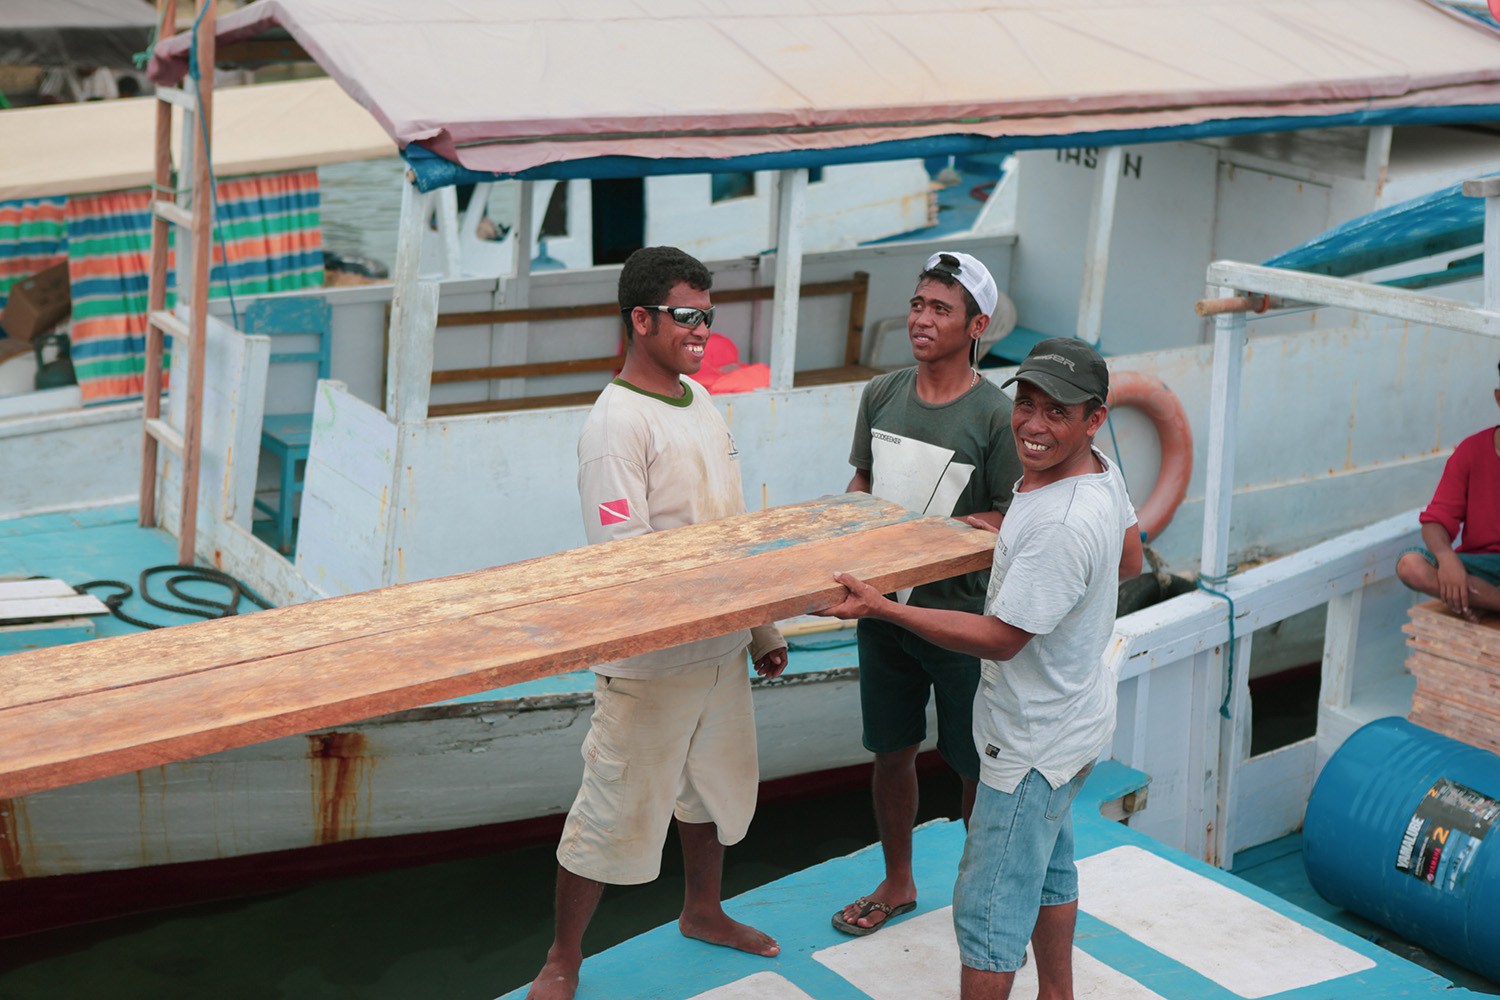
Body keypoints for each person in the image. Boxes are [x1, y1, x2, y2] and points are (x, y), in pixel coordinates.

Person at [816, 337, 1138, 1000]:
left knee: (988, 919)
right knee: (1050, 874)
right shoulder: (1100, 471)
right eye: (1027, 404)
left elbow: (1001, 639)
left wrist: (884, 607)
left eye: (1057, 412)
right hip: (1076, 722)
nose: (1034, 425)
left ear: (1094, 418)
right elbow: (1130, 559)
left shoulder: (1059, 522)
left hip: (1029, 745)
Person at [527, 246, 788, 1000]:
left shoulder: (699, 400)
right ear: (640, 320)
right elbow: (627, 560)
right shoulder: (615, 425)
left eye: (707, 316)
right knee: (609, 809)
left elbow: (729, 525)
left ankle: (702, 910)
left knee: (708, 791)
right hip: (652, 665)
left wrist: (761, 627)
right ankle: (562, 959)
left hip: (722, 650)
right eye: (684, 317)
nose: (701, 331)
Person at [832, 251, 1022, 936]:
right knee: (891, 751)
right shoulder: (881, 395)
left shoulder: (997, 416)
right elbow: (861, 481)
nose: (922, 319)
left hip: (961, 623)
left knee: (973, 765)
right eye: (918, 304)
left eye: (941, 309)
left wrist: (960, 531)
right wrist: (849, 525)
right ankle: (899, 880)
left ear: (977, 326)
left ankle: (979, 896)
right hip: (882, 612)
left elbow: (1013, 516)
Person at [1395, 363, 1500, 622]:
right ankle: (1489, 600)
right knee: (1411, 565)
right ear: (1499, 398)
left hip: (1479, 577)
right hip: (1481, 565)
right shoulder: (1471, 451)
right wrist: (1446, 557)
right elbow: (1436, 521)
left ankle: (1481, 600)